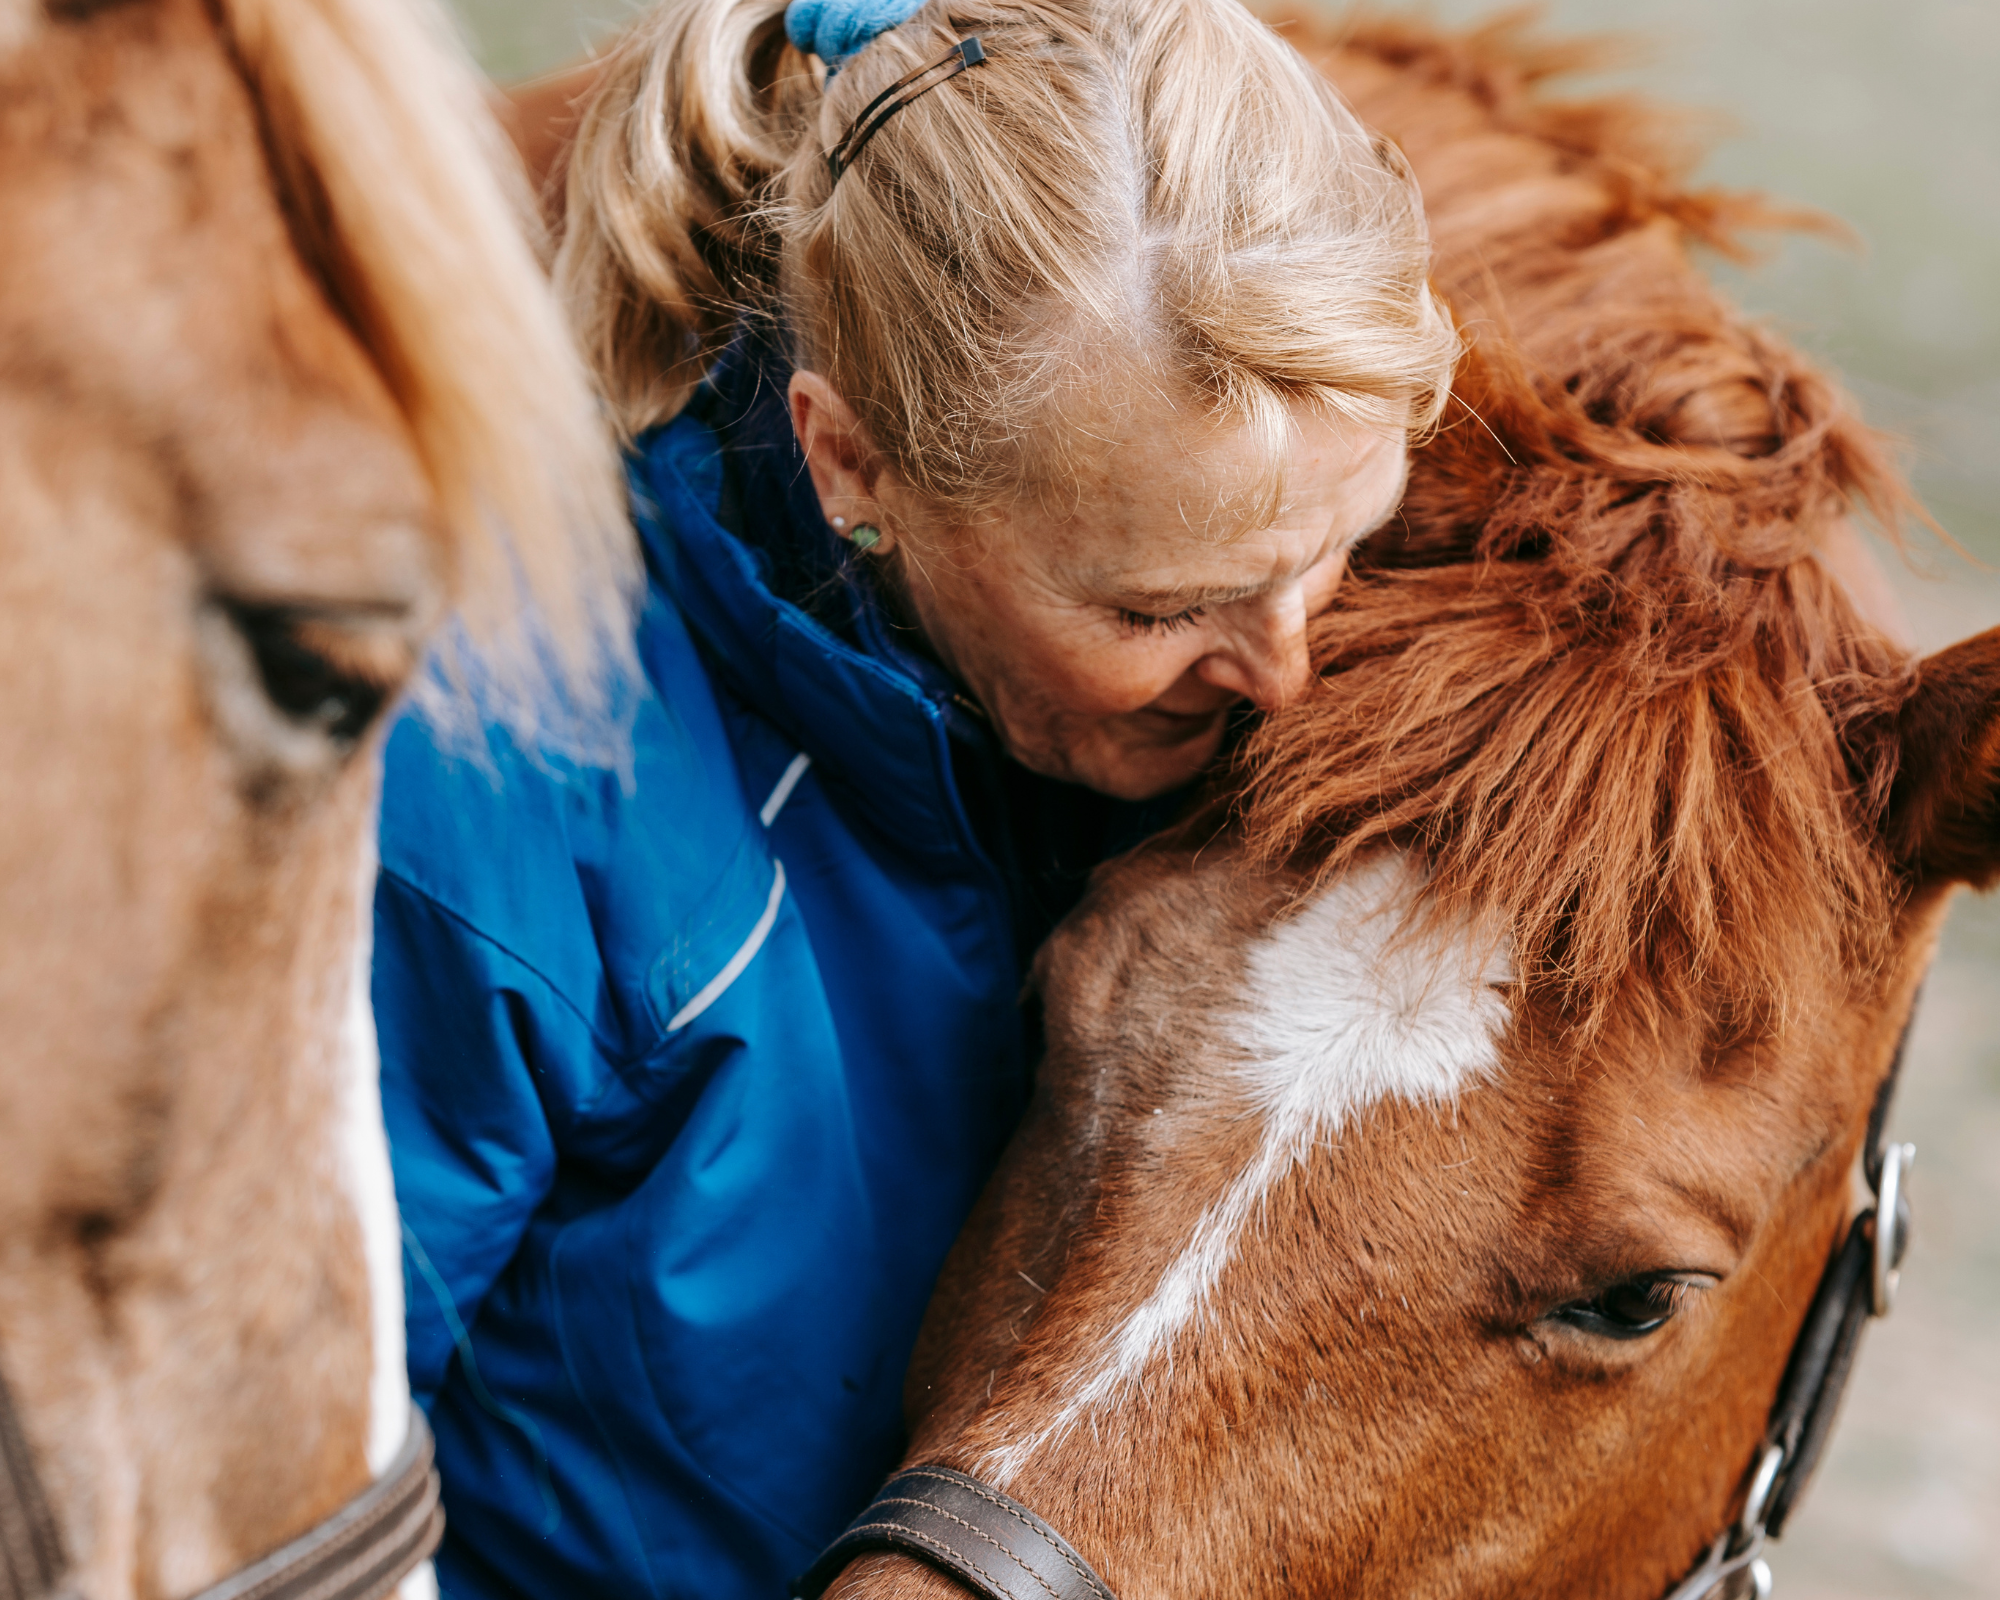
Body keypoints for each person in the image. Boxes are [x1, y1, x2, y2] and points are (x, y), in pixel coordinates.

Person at [370, 0, 1455, 1595]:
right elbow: (238, 1496)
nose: (1287, 670)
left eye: (1343, 542)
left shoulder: (1242, 739)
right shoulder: (492, 812)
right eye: (1160, 612)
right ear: (851, 466)